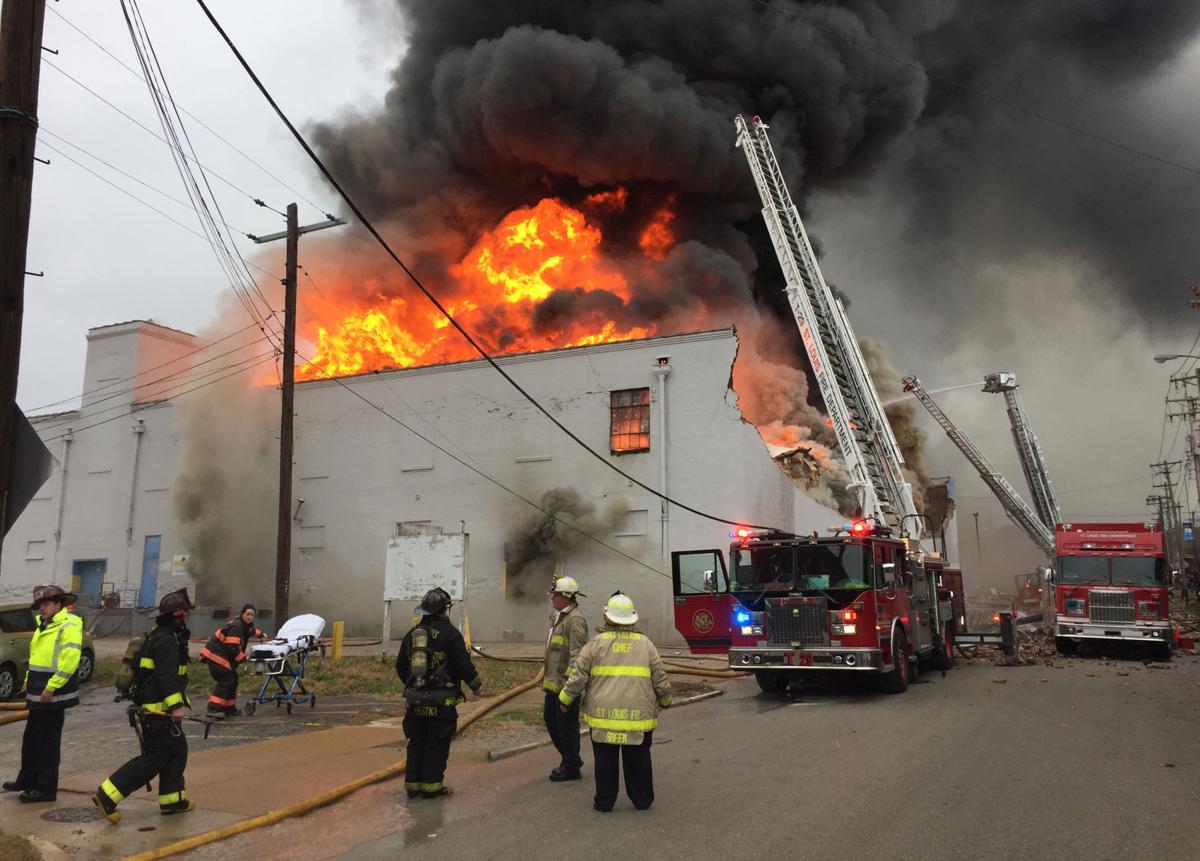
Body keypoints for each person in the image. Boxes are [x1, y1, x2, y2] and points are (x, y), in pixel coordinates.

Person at [558, 592, 672, 813]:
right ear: (633, 618)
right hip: (637, 718)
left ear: (606, 618)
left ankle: (605, 801)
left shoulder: (595, 645)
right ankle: (642, 799)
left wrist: (565, 699)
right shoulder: (646, 645)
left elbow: (578, 676)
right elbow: (659, 677)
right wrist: (665, 699)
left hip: (603, 718)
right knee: (638, 759)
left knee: (605, 761)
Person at [93, 588, 195, 824]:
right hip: (158, 712)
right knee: (154, 759)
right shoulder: (166, 640)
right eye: (186, 613)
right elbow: (167, 677)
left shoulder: (163, 636)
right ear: (178, 616)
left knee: (177, 752)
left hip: (157, 710)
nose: (188, 617)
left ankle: (172, 801)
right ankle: (106, 795)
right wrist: (176, 706)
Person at [395, 587, 483, 799]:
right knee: (436, 745)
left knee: (416, 744)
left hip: (415, 703)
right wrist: (476, 685)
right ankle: (432, 788)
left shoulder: (411, 635)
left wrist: (416, 687)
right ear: (445, 610)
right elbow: (463, 665)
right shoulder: (451, 634)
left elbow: (400, 666)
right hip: (441, 705)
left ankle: (413, 786)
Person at [2, 585, 83, 803]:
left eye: (46, 604)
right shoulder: (44, 625)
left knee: (47, 743)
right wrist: (28, 679)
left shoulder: (68, 625)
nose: (42, 609)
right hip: (38, 692)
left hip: (52, 695)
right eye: (40, 605)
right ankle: (27, 780)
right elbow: (37, 657)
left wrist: (52, 686)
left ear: (58, 604)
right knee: (32, 739)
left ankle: (46, 789)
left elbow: (70, 660)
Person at [542, 576, 589, 782]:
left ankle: (571, 766)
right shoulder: (559, 617)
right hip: (553, 685)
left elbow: (578, 657)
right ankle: (570, 760)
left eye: (555, 595)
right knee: (552, 722)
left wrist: (568, 687)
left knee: (566, 727)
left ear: (566, 597)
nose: (552, 598)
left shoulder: (575, 620)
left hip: (565, 687)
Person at [200, 603, 263, 717]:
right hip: (215, 655)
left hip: (220, 655)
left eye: (252, 615)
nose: (249, 617)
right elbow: (232, 647)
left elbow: (251, 631)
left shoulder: (244, 625)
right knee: (227, 679)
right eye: (247, 614)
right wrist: (243, 658)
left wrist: (261, 634)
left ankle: (229, 708)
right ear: (242, 614)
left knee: (233, 679)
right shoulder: (237, 626)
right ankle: (213, 708)